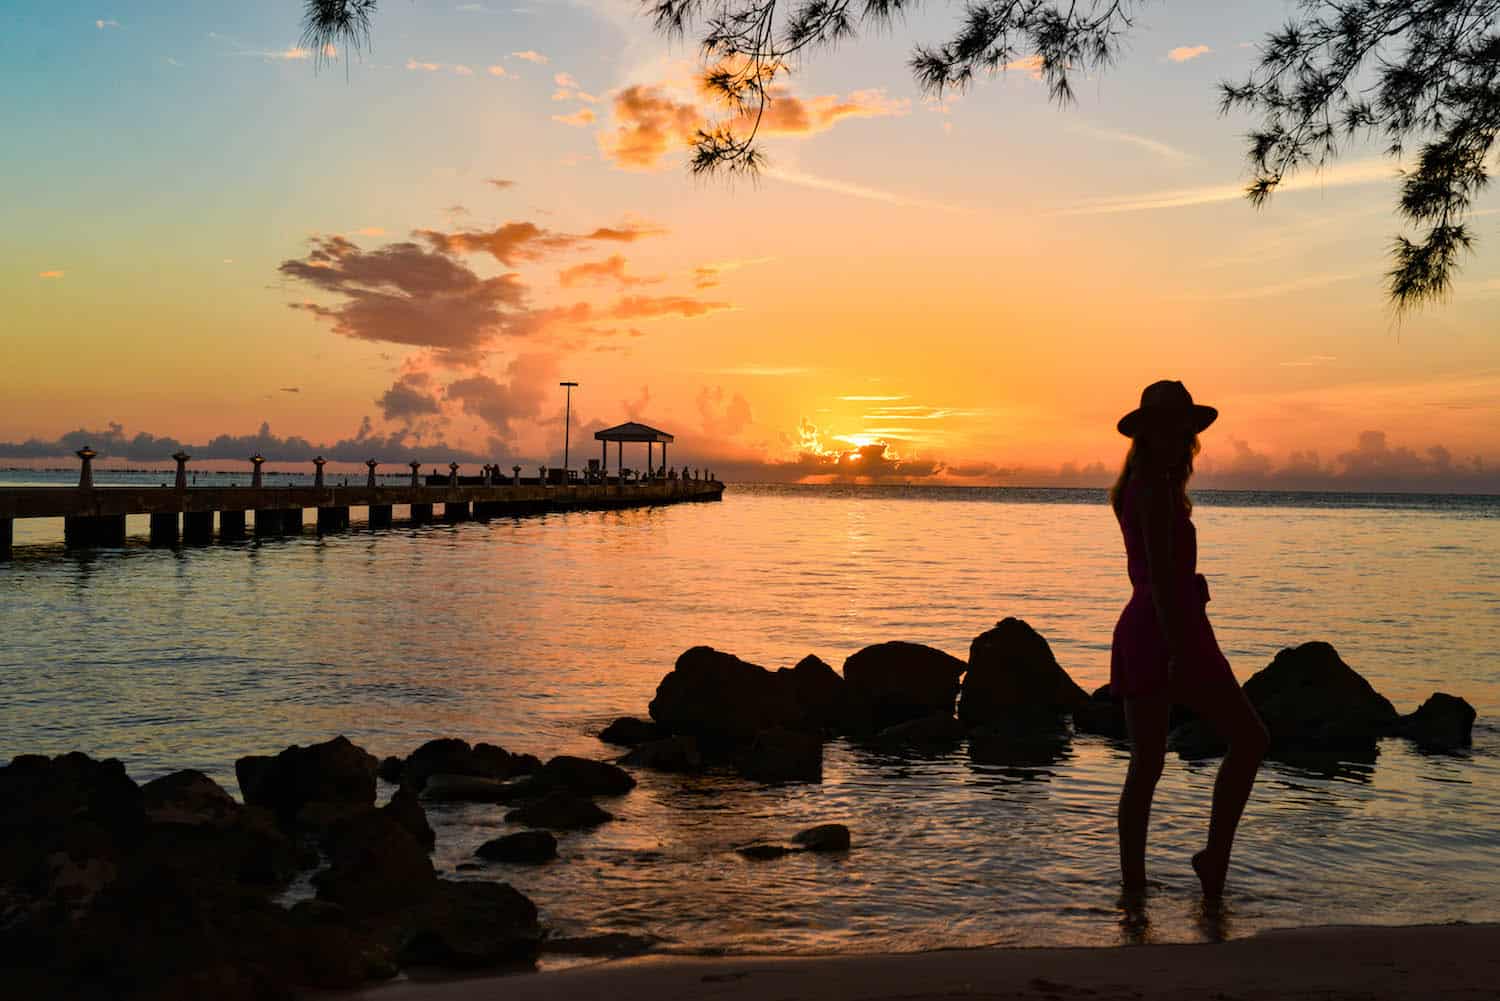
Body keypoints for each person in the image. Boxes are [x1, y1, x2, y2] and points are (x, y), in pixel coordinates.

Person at [1110, 380, 1269, 900]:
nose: (1182, 439)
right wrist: (1178, 651)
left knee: (1149, 762)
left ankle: (1139, 886)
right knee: (1248, 739)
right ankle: (1211, 861)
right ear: (1150, 434)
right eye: (1172, 429)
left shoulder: (1143, 486)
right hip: (1169, 628)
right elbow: (1159, 573)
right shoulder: (1153, 490)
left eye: (1186, 431)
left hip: (1154, 626)